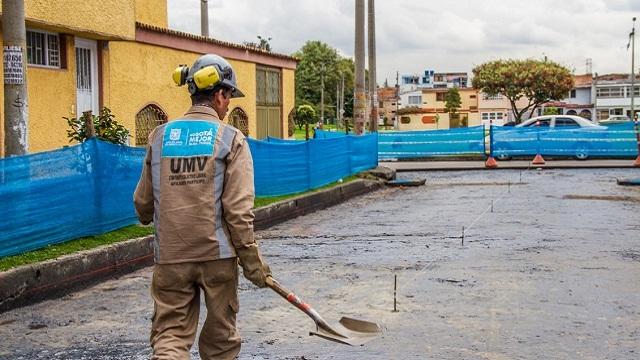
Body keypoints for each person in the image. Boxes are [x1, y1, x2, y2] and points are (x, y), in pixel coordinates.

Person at [133, 54, 272, 360]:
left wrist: (152, 215)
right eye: (229, 97)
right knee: (221, 340)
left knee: (170, 337)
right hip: (217, 257)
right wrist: (252, 262)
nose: (228, 106)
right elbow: (238, 211)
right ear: (220, 94)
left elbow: (142, 205)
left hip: (171, 256)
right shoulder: (231, 138)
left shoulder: (160, 137)